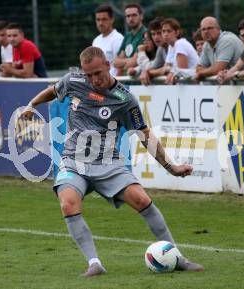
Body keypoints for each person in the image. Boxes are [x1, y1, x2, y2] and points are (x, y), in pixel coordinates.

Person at [19, 46, 204, 277]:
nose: (93, 79)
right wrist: (31, 104)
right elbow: (52, 90)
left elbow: (144, 134)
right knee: (68, 203)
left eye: (97, 73)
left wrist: (171, 167)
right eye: (88, 75)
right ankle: (94, 264)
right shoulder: (74, 81)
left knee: (141, 199)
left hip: (109, 163)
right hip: (73, 161)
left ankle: (178, 258)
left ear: (107, 65)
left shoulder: (125, 99)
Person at [195, 17, 244, 81]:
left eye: (210, 28)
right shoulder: (207, 44)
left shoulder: (226, 40)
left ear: (218, 29)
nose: (206, 31)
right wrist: (203, 72)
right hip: (232, 84)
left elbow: (218, 69)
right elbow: (198, 68)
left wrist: (201, 73)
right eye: (203, 29)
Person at [161, 18, 199, 84]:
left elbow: (182, 71)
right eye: (163, 31)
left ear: (177, 32)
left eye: (169, 31)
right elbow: (165, 68)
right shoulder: (171, 46)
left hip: (195, 87)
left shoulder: (180, 43)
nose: (165, 34)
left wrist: (149, 72)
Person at [114, 3, 148, 75]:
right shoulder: (127, 36)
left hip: (140, 82)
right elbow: (115, 62)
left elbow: (134, 62)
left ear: (141, 16)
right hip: (126, 81)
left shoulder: (146, 34)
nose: (131, 18)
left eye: (134, 15)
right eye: (128, 16)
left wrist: (123, 62)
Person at [92, 4, 124, 76]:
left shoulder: (118, 39)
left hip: (112, 85)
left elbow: (121, 68)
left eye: (104, 19)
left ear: (112, 20)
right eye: (98, 20)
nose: (101, 23)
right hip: (98, 85)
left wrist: (115, 86)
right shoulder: (96, 40)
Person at [138, 17, 168, 86]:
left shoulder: (177, 45)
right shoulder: (161, 49)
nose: (156, 37)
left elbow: (170, 69)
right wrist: (140, 70)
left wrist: (141, 52)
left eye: (159, 33)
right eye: (153, 34)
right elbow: (151, 67)